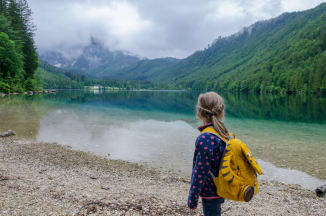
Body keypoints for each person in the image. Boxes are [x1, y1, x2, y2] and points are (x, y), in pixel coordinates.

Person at [187, 92, 229, 216]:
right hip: (221, 186)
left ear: (199, 113)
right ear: (221, 112)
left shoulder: (205, 137)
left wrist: (192, 199)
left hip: (211, 191)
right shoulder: (222, 132)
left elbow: (200, 171)